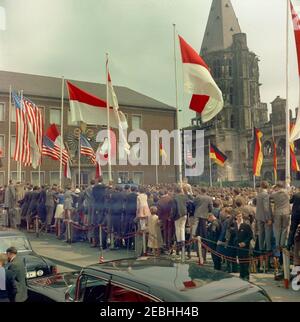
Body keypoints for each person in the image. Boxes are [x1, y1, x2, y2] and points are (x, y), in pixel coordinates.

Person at [255, 181, 273, 269]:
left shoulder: (258, 194)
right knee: (268, 235)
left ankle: (261, 248)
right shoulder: (266, 195)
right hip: (265, 218)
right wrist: (269, 218)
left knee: (261, 235)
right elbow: (266, 208)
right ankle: (268, 250)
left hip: (259, 217)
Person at [193, 188, 213, 262]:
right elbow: (211, 207)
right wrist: (209, 211)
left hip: (197, 215)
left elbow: (194, 204)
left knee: (196, 232)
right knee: (204, 235)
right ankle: (203, 255)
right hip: (204, 216)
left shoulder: (197, 197)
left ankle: (193, 235)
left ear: (201, 191)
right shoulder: (209, 198)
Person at [270, 182, 290, 250]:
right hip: (286, 213)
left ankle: (277, 244)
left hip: (277, 213)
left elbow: (269, 196)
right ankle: (282, 244)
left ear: (278, 186)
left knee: (277, 229)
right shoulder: (287, 192)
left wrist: (273, 188)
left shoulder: (274, 194)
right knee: (284, 228)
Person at [235, 210, 253, 281]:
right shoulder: (234, 225)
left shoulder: (246, 225)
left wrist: (245, 243)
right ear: (235, 217)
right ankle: (241, 275)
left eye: (240, 216)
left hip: (245, 247)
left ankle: (246, 276)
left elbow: (250, 236)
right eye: (238, 216)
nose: (239, 217)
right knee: (240, 261)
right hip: (237, 247)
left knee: (245, 262)